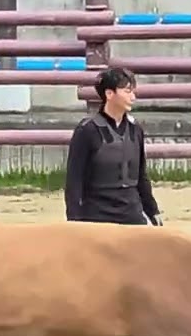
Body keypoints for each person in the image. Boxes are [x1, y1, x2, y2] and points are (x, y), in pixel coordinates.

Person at [64, 67, 162, 226]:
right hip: (98, 212)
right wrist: (74, 220)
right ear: (109, 94)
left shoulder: (135, 129)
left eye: (133, 92)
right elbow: (74, 181)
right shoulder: (87, 131)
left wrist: (152, 210)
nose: (133, 97)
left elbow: (141, 176)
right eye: (127, 91)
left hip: (131, 211)